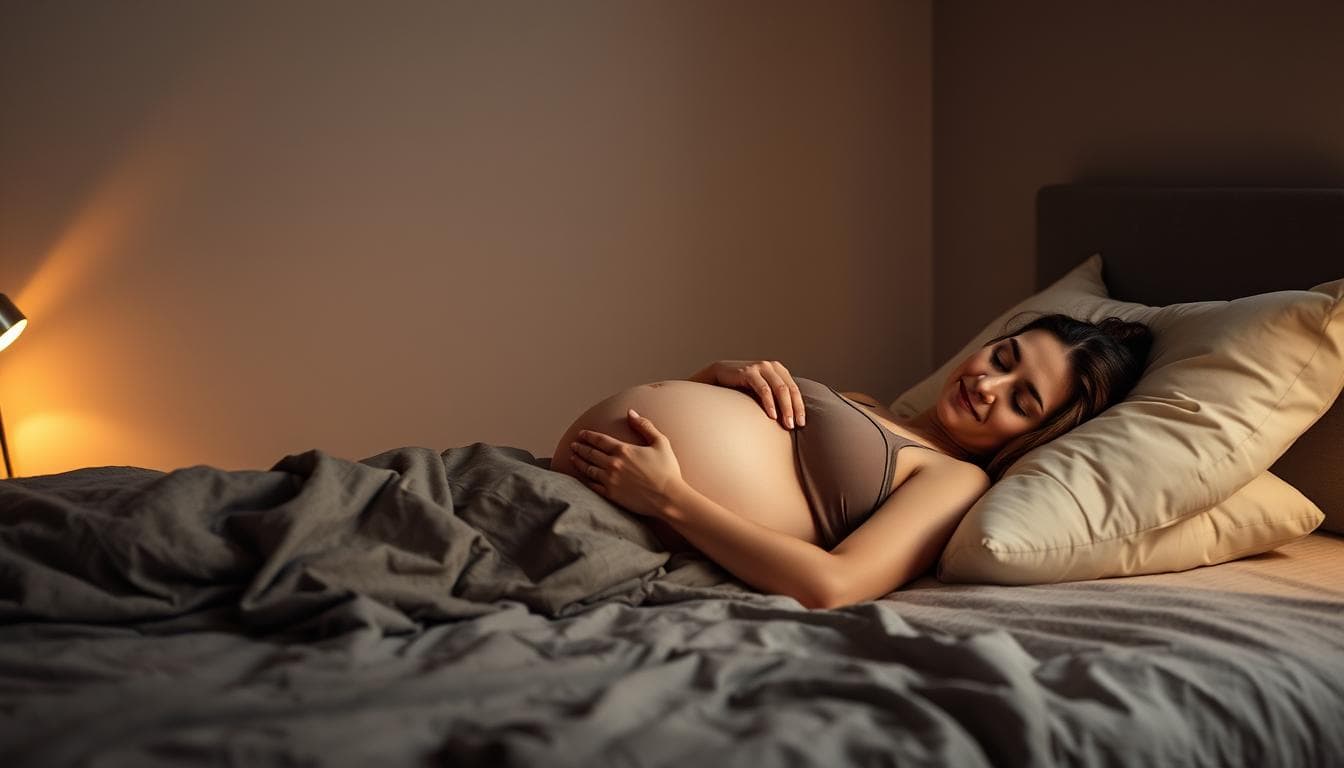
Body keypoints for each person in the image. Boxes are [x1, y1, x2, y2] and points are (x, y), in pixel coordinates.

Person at [552, 314, 1152, 610]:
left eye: (1022, 400)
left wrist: (669, 498)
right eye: (1002, 357)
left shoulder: (955, 478)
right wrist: (714, 377)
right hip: (582, 487)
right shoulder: (871, 405)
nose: (988, 384)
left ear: (1037, 434)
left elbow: (832, 585)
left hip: (633, 515)